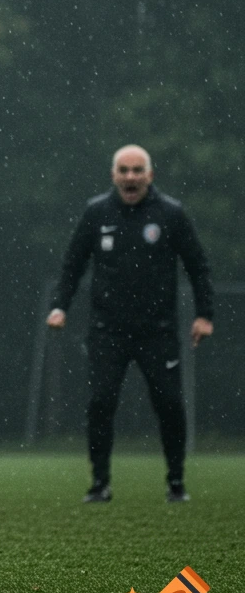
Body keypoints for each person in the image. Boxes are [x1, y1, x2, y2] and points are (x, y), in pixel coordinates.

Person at [47, 144, 213, 504]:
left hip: (158, 331)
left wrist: (204, 315)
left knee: (169, 404)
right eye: (124, 170)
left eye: (138, 170)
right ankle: (99, 484)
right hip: (108, 332)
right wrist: (60, 306)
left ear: (150, 175)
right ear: (114, 175)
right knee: (100, 403)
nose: (131, 177)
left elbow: (198, 267)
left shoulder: (171, 214)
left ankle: (176, 483)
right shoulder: (97, 213)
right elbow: (72, 265)